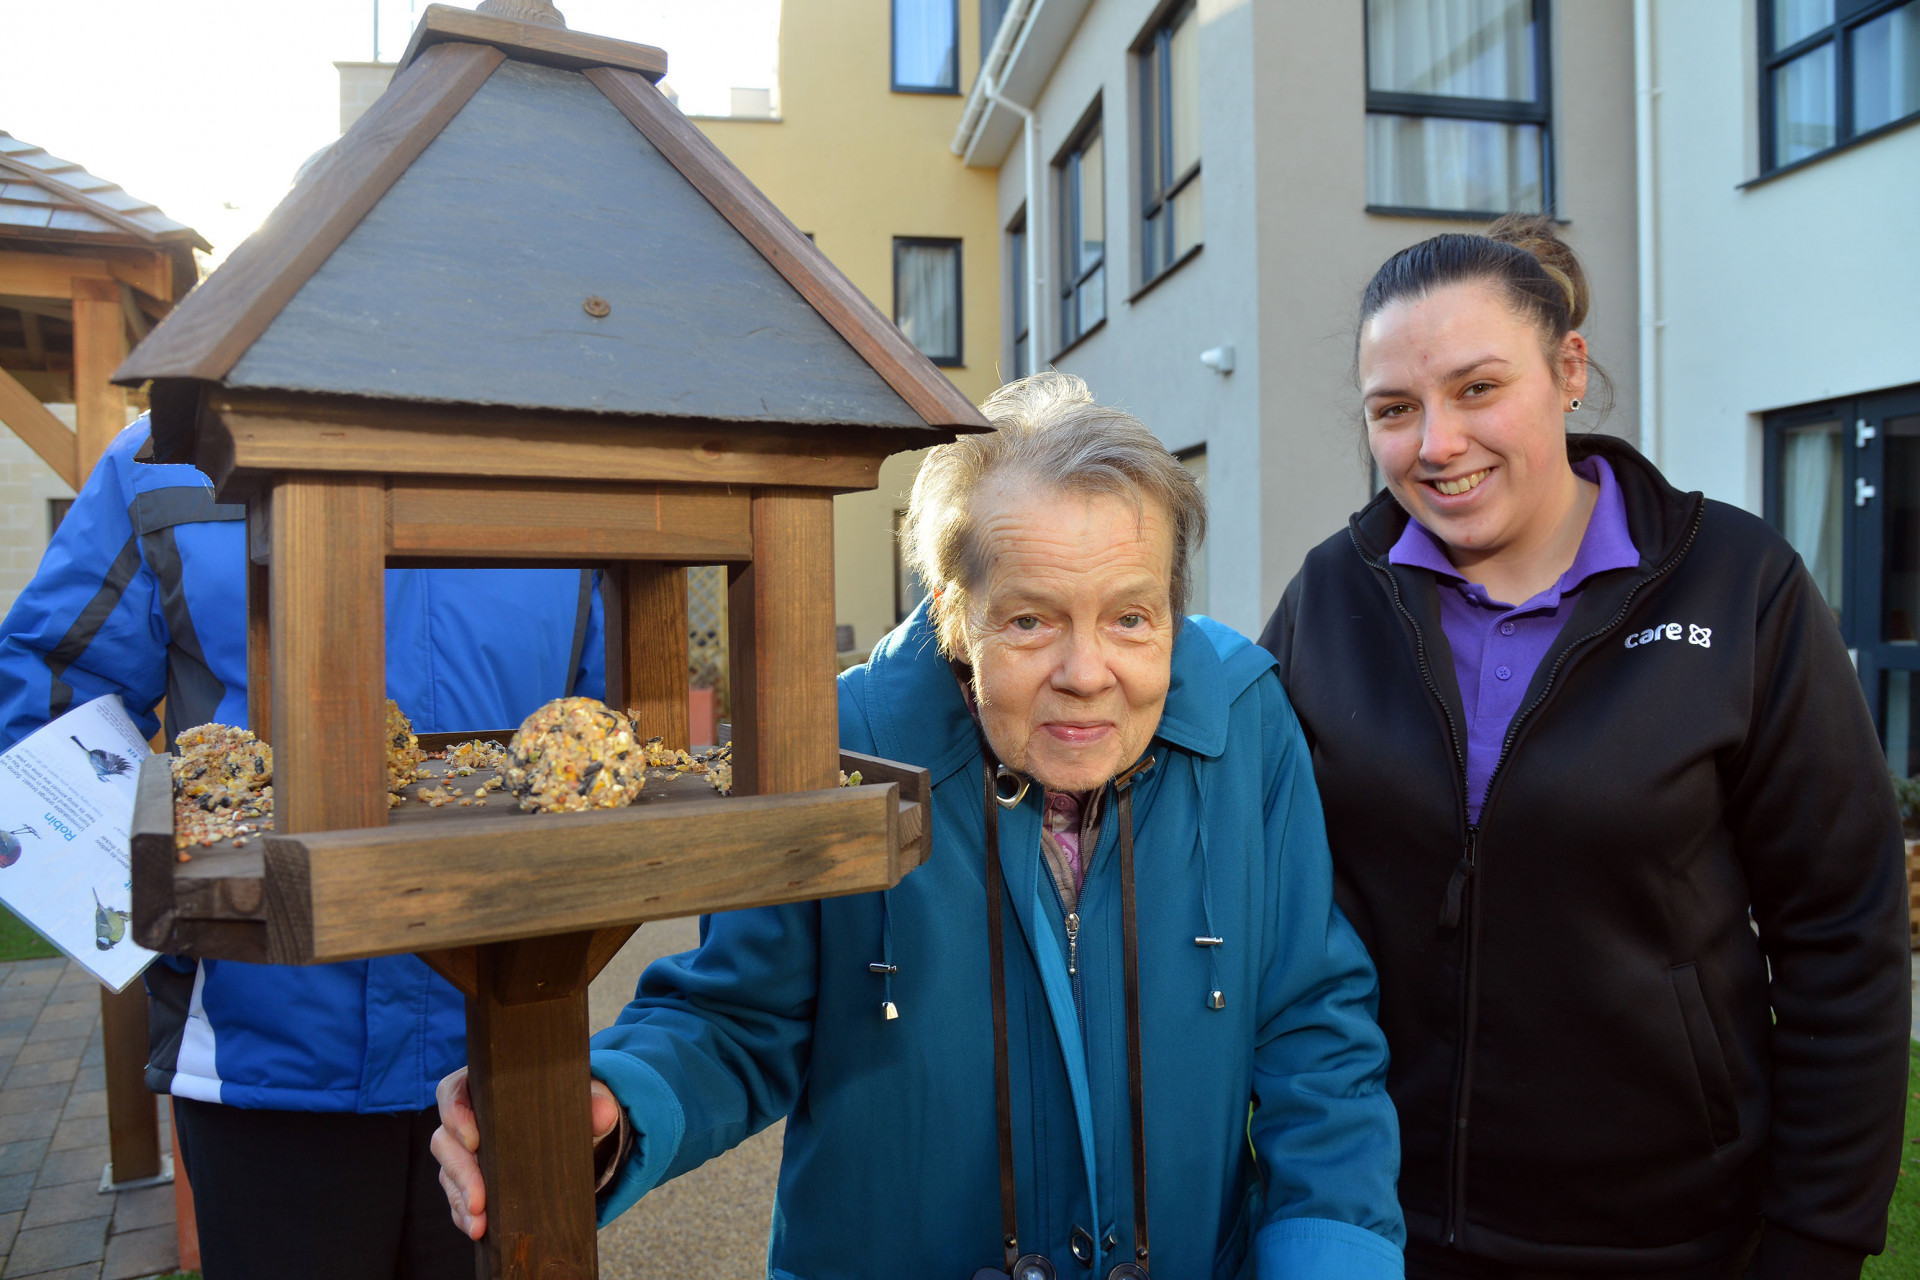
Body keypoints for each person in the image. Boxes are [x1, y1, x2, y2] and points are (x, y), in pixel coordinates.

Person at [432, 373, 1406, 1277]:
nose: (1085, 669)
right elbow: (738, 1016)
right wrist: (611, 1103)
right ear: (953, 612)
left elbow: (1313, 1031)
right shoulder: (839, 740)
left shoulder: (1244, 719)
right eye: (1029, 620)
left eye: (1130, 617)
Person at [1258, 217, 1908, 1279]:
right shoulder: (1332, 594)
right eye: (1394, 409)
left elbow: (1844, 929)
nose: (1435, 443)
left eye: (1477, 389)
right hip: (1384, 1221)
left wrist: (1820, 1234)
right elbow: (1249, 863)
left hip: (1672, 1235)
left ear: (1569, 370)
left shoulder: (1736, 582)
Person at [0, 415, 606, 1280]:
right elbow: (50, 697)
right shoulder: (167, 456)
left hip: (511, 1039)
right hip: (265, 1048)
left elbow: (607, 734)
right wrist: (158, 911)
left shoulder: (569, 456)